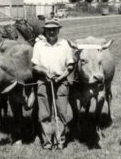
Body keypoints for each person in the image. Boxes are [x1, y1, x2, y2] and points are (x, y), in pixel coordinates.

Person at [31, 19, 74, 150]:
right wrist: (44, 72)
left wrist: (61, 77)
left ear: (58, 30)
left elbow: (70, 65)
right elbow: (34, 66)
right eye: (48, 29)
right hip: (44, 81)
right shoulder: (38, 45)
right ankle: (47, 142)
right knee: (45, 114)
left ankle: (60, 140)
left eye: (54, 29)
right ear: (45, 30)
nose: (51, 32)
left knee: (61, 113)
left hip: (61, 82)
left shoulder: (64, 44)